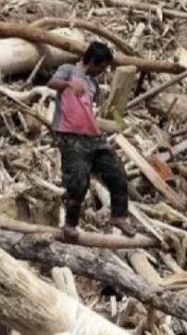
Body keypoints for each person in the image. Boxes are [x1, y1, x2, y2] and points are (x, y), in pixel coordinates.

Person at [48, 42, 135, 240]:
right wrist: (69, 84)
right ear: (93, 61)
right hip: (70, 135)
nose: (103, 71)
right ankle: (70, 224)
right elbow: (52, 83)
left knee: (117, 172)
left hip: (93, 136)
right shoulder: (68, 70)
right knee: (78, 181)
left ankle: (119, 216)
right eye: (102, 66)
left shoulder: (93, 84)